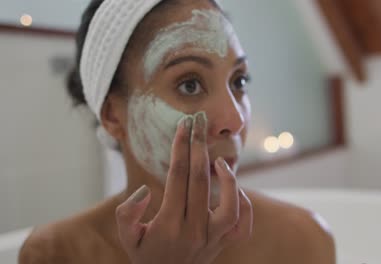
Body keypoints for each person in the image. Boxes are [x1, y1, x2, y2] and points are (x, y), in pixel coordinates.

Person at [19, 0, 335, 263]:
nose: (236, 120)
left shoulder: (302, 240)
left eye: (238, 81)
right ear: (113, 115)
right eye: (190, 84)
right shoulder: (55, 254)